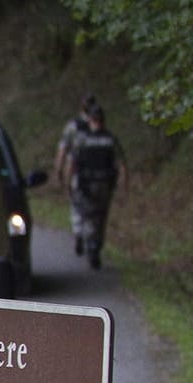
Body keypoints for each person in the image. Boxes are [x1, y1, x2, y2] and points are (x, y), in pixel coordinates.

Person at [63, 105, 126, 270]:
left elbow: (71, 164)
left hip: (86, 185)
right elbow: (121, 165)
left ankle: (88, 243)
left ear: (90, 120)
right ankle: (95, 247)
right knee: (100, 218)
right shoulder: (110, 139)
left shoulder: (81, 140)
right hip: (105, 185)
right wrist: (122, 187)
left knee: (87, 216)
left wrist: (67, 183)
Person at [53, 93, 98, 253]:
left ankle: (79, 233)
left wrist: (59, 171)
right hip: (97, 173)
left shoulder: (73, 126)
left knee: (76, 203)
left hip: (77, 172)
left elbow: (63, 149)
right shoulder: (100, 124)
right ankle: (91, 238)